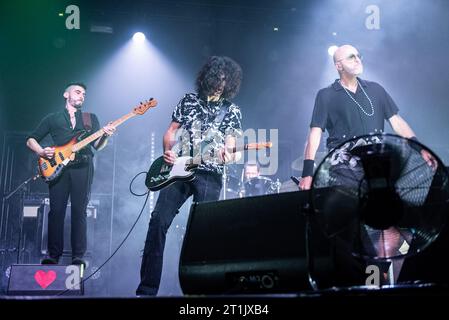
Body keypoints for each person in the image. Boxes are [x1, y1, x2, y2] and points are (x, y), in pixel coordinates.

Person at [136, 56, 243, 296]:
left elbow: (232, 145)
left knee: (203, 232)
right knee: (158, 222)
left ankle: (198, 291)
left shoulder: (232, 110)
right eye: (217, 79)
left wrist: (229, 154)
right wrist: (167, 151)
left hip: (210, 175)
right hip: (179, 171)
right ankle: (146, 290)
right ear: (207, 78)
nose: (220, 84)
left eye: (225, 81)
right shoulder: (188, 101)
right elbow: (170, 131)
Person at [299, 44, 434, 190]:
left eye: (358, 56)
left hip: (376, 162)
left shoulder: (376, 89)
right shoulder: (326, 95)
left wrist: (420, 149)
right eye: (351, 57)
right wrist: (307, 173)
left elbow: (397, 122)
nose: (357, 60)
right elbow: (315, 133)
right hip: (343, 166)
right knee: (353, 205)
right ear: (339, 66)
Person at [26, 83, 115, 266]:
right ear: (66, 94)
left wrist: (105, 135)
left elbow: (97, 146)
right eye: (77, 91)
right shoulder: (53, 118)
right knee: (56, 211)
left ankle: (77, 257)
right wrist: (42, 152)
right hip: (58, 169)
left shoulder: (90, 119)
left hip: (83, 167)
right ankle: (53, 255)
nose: (82, 95)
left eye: (84, 94)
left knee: (79, 211)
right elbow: (31, 139)